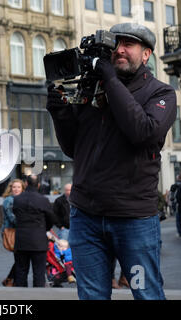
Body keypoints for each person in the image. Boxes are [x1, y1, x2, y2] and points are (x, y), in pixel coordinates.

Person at [46, 23, 176, 300]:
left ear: (146, 54)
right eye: (115, 44)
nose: (119, 50)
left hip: (134, 218)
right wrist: (59, 113)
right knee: (92, 295)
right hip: (86, 216)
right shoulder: (92, 88)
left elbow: (142, 132)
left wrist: (110, 80)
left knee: (147, 293)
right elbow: (73, 148)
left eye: (129, 44)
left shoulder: (161, 93)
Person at [12, 175, 56, 287]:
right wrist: (43, 229)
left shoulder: (17, 200)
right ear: (38, 185)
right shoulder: (43, 200)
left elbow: (16, 215)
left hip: (21, 240)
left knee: (21, 272)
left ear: (26, 184)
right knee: (39, 273)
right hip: (39, 241)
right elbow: (51, 219)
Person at [1, 179, 25, 287]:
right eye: (14, 187)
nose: (16, 189)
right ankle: (12, 280)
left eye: (18, 187)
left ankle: (11, 280)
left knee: (20, 258)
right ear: (10, 188)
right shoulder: (9, 200)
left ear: (22, 189)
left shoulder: (22, 199)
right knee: (20, 258)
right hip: (12, 232)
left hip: (19, 231)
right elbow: (12, 218)